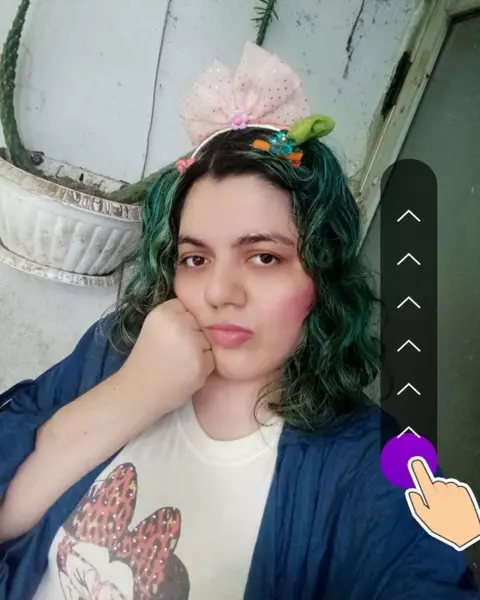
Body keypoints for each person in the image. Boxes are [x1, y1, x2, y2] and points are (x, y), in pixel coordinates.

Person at [0, 42, 478, 600]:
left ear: (323, 275)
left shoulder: (371, 464)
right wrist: (132, 393)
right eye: (195, 259)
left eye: (264, 257)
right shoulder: (116, 349)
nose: (219, 293)